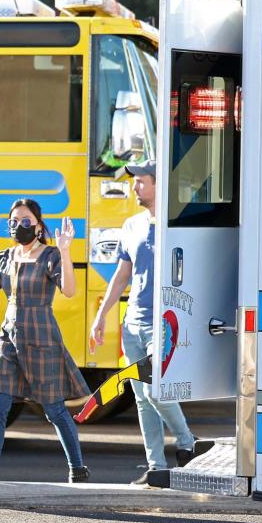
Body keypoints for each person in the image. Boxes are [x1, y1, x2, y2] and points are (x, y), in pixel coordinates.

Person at [0, 199, 91, 483]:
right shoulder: (5, 256)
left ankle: (77, 468)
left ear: (39, 226)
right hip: (9, 336)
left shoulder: (51, 255)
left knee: (54, 409)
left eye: (26, 221)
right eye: (14, 222)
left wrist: (66, 251)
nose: (20, 226)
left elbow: (68, 290)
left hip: (41, 336)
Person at [90, 159, 203, 484]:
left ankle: (186, 441)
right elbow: (122, 275)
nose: (135, 187)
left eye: (141, 181)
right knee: (140, 396)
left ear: (158, 184)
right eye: (135, 181)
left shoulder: (177, 225)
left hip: (163, 322)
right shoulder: (131, 225)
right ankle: (156, 467)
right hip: (133, 322)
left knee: (155, 390)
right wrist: (101, 315)